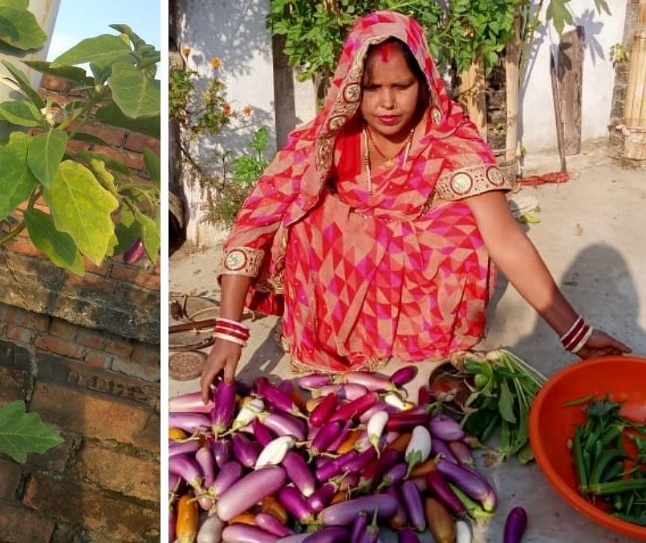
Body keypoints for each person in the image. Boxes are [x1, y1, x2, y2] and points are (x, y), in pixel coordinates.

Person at [200, 11, 630, 402]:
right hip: (346, 274)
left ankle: (418, 334)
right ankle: (343, 333)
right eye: (371, 89)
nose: (386, 103)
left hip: (418, 287)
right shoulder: (328, 139)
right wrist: (228, 332)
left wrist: (576, 334)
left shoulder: (450, 140)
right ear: (353, 87)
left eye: (400, 86)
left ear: (423, 83)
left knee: (465, 229)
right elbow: (256, 221)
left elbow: (506, 240)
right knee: (309, 220)